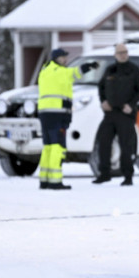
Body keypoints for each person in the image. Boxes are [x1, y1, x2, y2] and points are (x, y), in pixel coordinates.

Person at [37, 48, 98, 190]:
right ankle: (55, 181)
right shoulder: (60, 72)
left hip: (44, 114)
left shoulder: (44, 71)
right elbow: (75, 73)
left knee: (48, 147)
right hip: (57, 113)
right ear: (56, 58)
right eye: (63, 57)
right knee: (58, 147)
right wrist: (88, 66)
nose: (65, 60)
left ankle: (44, 180)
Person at [93, 43, 139, 186]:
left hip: (126, 113)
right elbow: (101, 87)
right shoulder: (110, 70)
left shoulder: (134, 70)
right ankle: (104, 174)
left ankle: (128, 176)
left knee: (126, 146)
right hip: (110, 113)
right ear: (115, 55)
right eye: (120, 52)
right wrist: (103, 101)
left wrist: (131, 105)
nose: (123, 54)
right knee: (103, 143)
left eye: (125, 52)